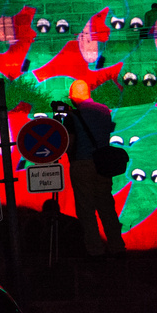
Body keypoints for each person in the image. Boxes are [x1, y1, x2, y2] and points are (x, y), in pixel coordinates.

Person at [66, 79, 126, 258]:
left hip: (82, 164)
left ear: (73, 96)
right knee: (107, 206)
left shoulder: (72, 115)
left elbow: (70, 142)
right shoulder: (104, 110)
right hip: (103, 164)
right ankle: (117, 247)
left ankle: (95, 250)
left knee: (86, 210)